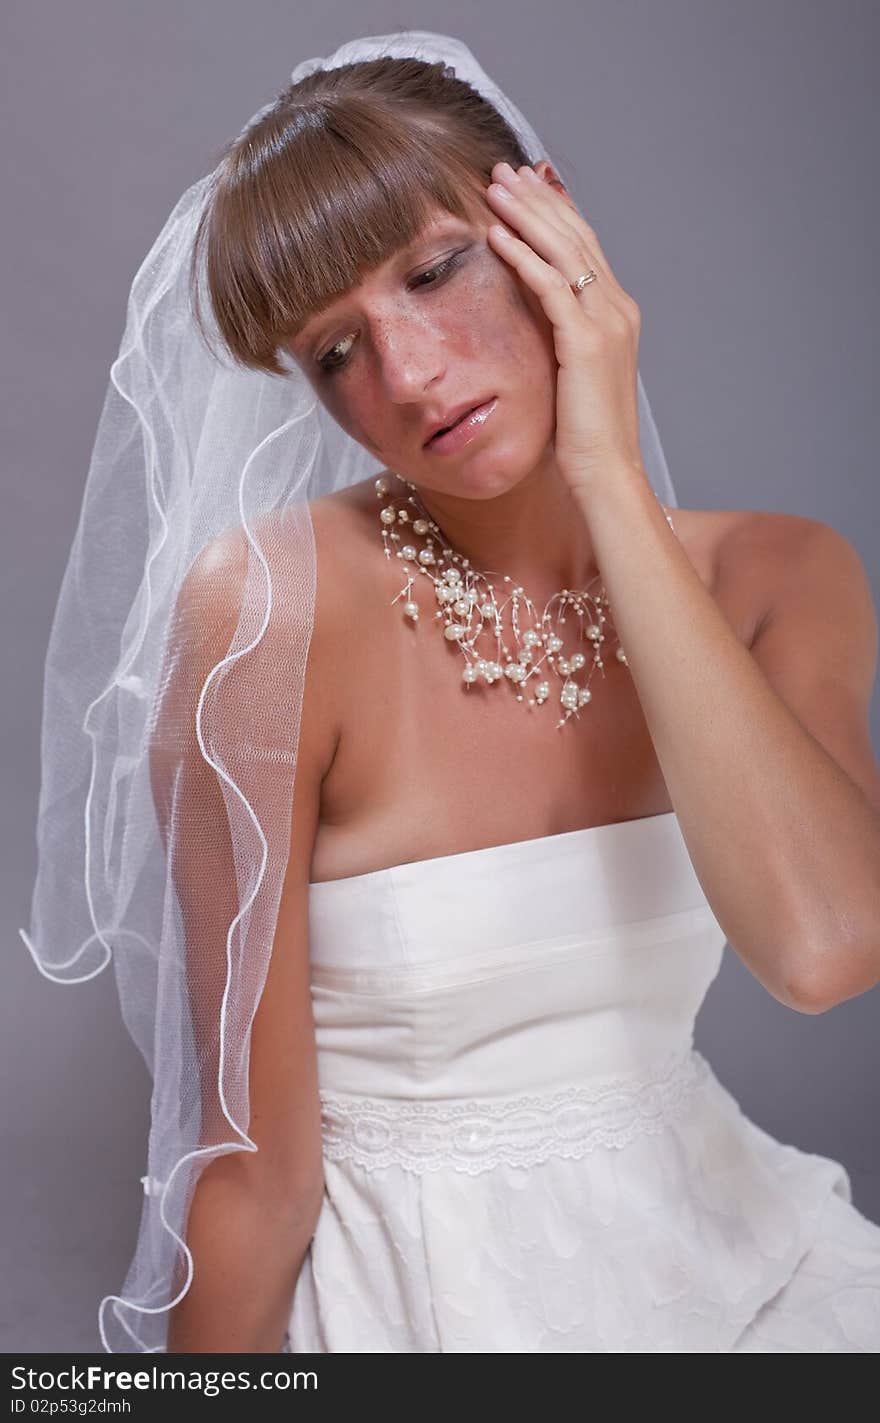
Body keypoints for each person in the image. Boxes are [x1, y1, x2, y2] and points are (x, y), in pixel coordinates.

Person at [19, 31, 880, 1354]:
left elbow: (826, 951)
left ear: (542, 215)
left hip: (744, 1273)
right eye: (335, 353)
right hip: (415, 1313)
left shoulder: (778, 574)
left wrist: (606, 477)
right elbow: (250, 1168)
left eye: (434, 271)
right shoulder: (273, 614)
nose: (408, 377)